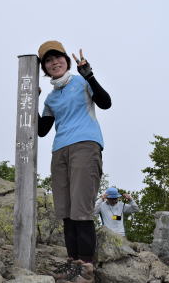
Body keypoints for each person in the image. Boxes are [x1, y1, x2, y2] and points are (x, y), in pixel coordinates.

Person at [37, 40, 111, 283]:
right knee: (66, 211)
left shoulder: (81, 81)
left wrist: (89, 75)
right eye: (48, 61)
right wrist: (32, 100)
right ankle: (73, 263)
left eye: (58, 57)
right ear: (44, 69)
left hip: (85, 145)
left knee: (81, 209)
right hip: (60, 151)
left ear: (66, 61)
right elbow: (41, 130)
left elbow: (105, 102)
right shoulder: (50, 98)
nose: (54, 62)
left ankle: (86, 267)